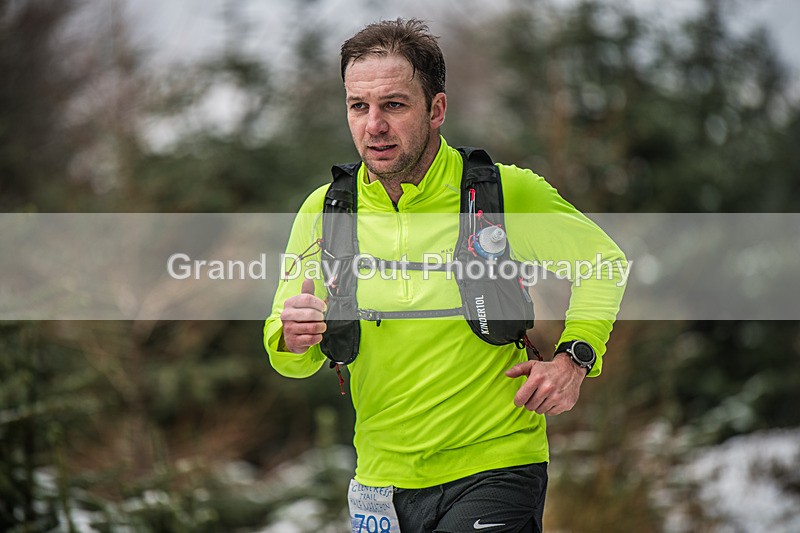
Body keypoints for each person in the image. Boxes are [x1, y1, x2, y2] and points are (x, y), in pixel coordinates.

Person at [264, 19, 627, 532]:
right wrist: (292, 337)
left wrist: (575, 358)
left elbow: (602, 262)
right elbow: (287, 355)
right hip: (381, 482)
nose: (374, 125)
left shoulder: (503, 194)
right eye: (358, 106)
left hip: (495, 466)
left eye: (394, 104)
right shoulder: (325, 212)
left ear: (436, 109)